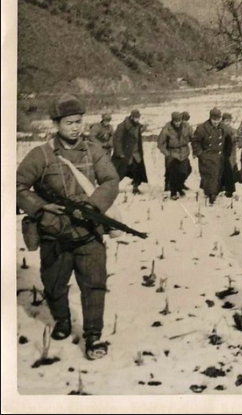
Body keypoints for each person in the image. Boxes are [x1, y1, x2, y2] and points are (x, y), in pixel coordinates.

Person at [16, 94, 119, 360]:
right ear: (57, 123)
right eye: (70, 122)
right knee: (54, 286)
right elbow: (17, 186)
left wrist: (95, 206)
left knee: (94, 285)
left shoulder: (93, 151)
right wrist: (41, 206)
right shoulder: (40, 155)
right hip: (55, 235)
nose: (76, 127)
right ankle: (62, 321)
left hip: (89, 234)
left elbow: (110, 180)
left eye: (79, 122)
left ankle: (94, 336)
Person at [191, 108, 226, 205]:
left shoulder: (223, 127)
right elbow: (195, 141)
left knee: (217, 176)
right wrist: (200, 153)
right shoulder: (202, 128)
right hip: (207, 155)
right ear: (210, 118)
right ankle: (211, 195)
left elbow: (228, 137)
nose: (216, 122)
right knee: (209, 175)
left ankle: (211, 191)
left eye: (218, 120)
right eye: (214, 120)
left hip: (219, 155)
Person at [112, 109, 148, 194]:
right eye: (136, 118)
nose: (137, 120)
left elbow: (137, 135)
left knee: (137, 171)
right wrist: (119, 152)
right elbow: (117, 140)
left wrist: (144, 128)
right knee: (119, 171)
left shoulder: (138, 126)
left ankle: (135, 187)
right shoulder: (122, 126)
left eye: (138, 118)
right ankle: (112, 187)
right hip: (125, 153)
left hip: (136, 153)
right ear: (131, 117)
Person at [157, 111, 191, 200]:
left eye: (179, 121)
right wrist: (167, 154)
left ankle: (179, 186)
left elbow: (193, 137)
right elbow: (160, 143)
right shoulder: (167, 129)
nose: (177, 123)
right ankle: (173, 193)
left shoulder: (186, 126)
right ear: (172, 120)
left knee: (185, 172)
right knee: (174, 174)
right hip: (173, 154)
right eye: (176, 121)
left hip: (184, 153)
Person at [221, 112, 240, 198]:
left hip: (232, 154)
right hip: (223, 153)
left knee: (231, 170)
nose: (227, 123)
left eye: (229, 121)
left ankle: (229, 190)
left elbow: (237, 139)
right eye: (226, 121)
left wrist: (236, 139)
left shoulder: (233, 130)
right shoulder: (220, 129)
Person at [181, 111, 193, 189]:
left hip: (184, 152)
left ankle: (180, 183)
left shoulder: (188, 127)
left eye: (186, 120)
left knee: (188, 169)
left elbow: (192, 137)